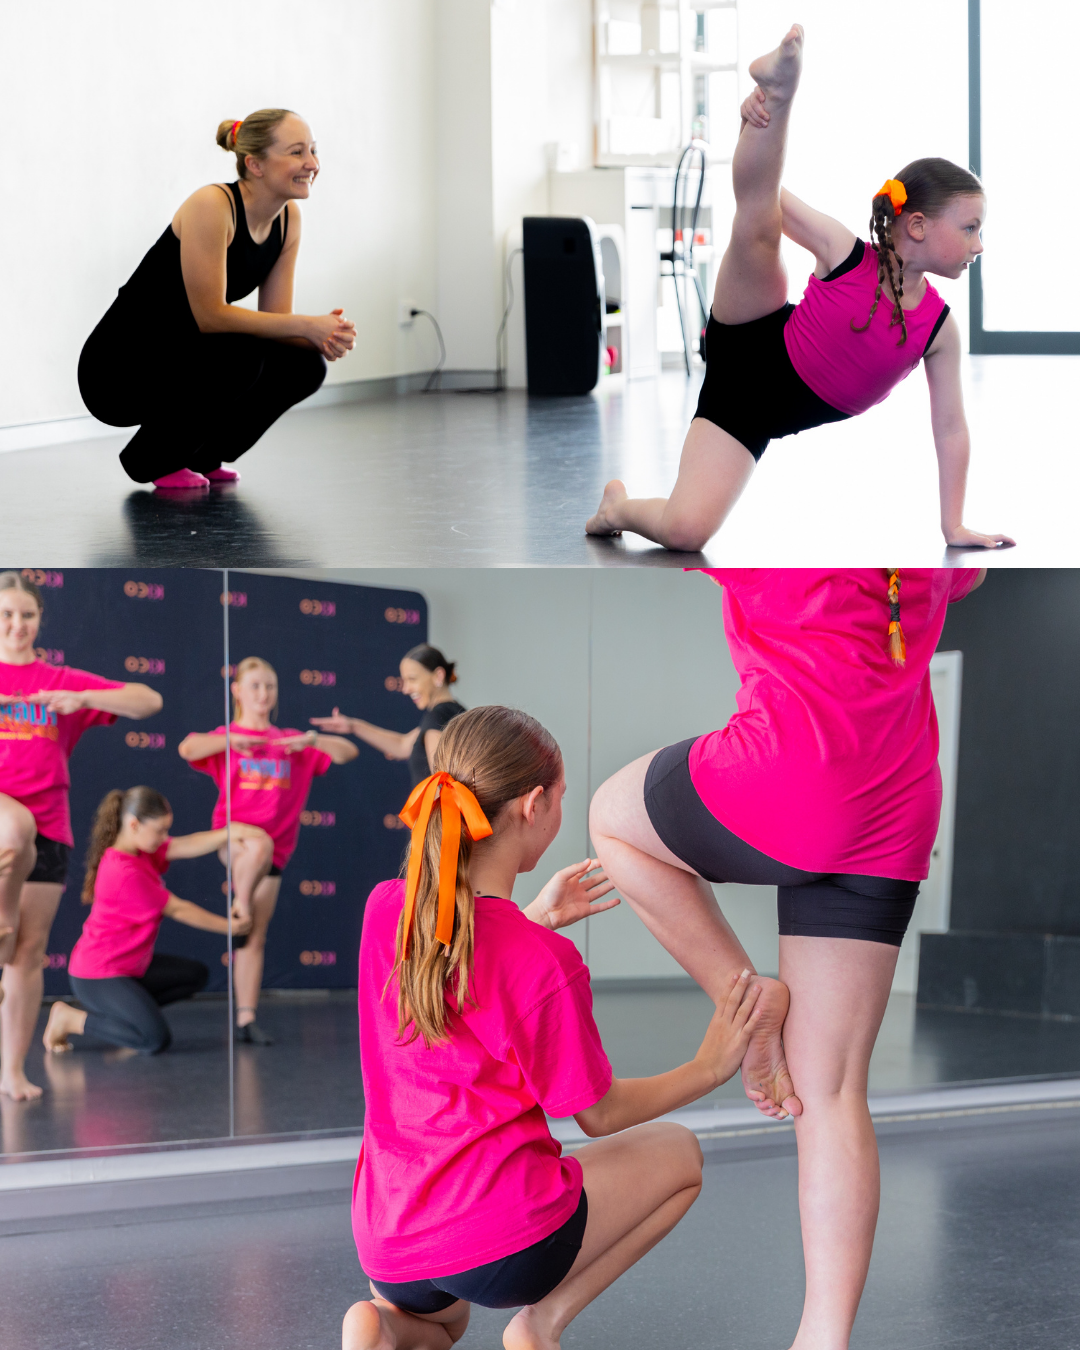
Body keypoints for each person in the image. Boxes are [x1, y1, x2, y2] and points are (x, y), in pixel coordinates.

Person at [588, 566, 985, 1350]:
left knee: (612, 818)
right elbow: (963, 576)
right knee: (832, 1090)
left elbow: (671, 523)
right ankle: (823, 1338)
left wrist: (624, 508)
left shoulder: (772, 531)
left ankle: (742, 998)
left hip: (790, 776)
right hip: (895, 806)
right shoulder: (920, 544)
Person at [344, 705, 763, 1350]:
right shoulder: (542, 960)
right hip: (505, 1239)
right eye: (562, 797)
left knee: (443, 1322)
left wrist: (532, 917)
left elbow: (463, 972)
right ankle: (540, 1325)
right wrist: (707, 1066)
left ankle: (384, 1324)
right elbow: (597, 1113)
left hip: (388, 1242)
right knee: (681, 1155)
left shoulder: (386, 911)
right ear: (533, 805)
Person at [586, 26, 1013, 553]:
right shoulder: (846, 252)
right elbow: (762, 191)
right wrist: (755, 125)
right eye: (970, 228)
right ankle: (780, 91)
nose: (979, 244)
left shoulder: (939, 331)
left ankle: (616, 508)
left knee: (685, 532)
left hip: (748, 410)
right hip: (752, 332)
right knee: (760, 220)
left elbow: (950, 429)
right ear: (919, 225)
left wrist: (954, 525)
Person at [77, 108, 357, 491]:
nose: (312, 163)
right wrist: (307, 325)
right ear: (255, 164)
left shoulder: (288, 218)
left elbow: (275, 321)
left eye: (313, 150)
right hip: (119, 367)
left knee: (304, 366)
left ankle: (202, 455)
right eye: (297, 152)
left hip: (185, 355)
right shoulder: (212, 205)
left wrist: (324, 336)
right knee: (242, 353)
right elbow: (209, 316)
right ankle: (153, 459)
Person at [0, 572, 163, 1101]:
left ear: (40, 620)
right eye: (6, 614)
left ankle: (11, 1071)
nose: (17, 624)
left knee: (27, 954)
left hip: (50, 829)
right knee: (14, 827)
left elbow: (147, 700)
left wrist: (82, 698)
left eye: (27, 615)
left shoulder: (59, 681)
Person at [178, 656, 358, 1045]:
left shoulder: (290, 742)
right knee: (258, 845)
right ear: (237, 691)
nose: (263, 694)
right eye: (255, 686)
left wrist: (311, 740)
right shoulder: (229, 736)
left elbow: (347, 753)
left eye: (270, 686)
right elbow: (187, 748)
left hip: (276, 851)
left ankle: (246, 1018)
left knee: (253, 936)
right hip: (233, 838)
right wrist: (230, 740)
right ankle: (240, 903)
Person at [42, 787, 262, 1056]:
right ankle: (69, 1019)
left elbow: (185, 845)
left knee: (195, 975)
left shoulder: (142, 850)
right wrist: (231, 927)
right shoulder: (123, 870)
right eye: (160, 830)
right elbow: (179, 909)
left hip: (130, 966)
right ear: (134, 825)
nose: (164, 837)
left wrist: (229, 832)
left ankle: (132, 1018)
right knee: (154, 1039)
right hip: (98, 975)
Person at [311, 644, 466, 789]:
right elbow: (403, 745)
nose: (405, 689)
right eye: (404, 681)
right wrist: (353, 726)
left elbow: (443, 785)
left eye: (412, 679)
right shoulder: (455, 714)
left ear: (438, 676)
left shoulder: (437, 717)